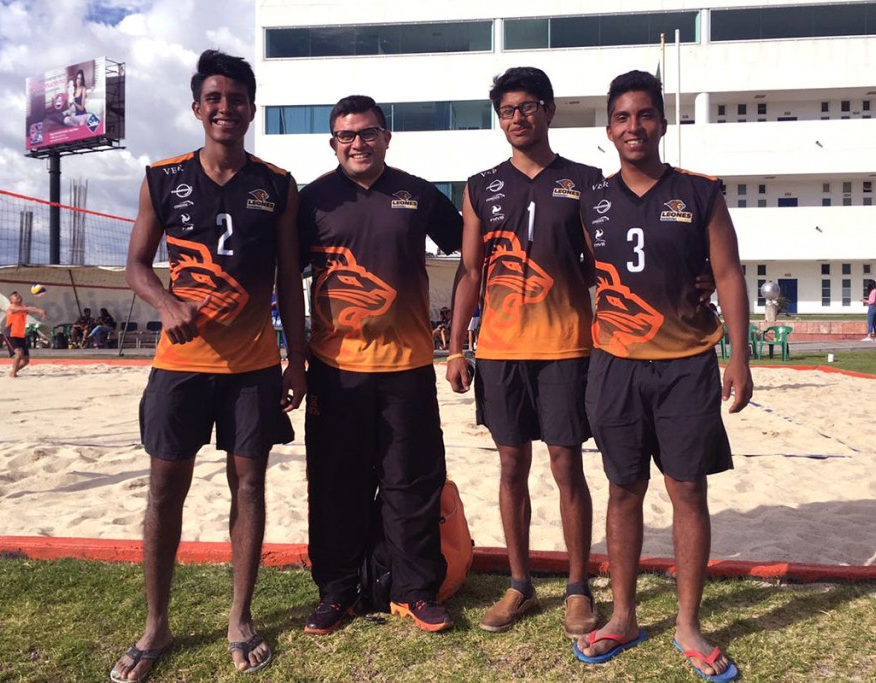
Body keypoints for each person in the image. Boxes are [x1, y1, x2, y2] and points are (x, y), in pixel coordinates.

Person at [111, 49, 306, 681]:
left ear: (251, 108)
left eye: (238, 98)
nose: (226, 108)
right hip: (181, 364)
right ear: (198, 108)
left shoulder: (276, 183)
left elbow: (288, 279)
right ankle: (155, 625)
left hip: (252, 365)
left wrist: (296, 361)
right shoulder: (163, 176)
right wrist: (166, 302)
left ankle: (239, 617)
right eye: (214, 99)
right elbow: (136, 266)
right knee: (166, 487)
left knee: (249, 485)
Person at [572, 70, 751, 683]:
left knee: (687, 490)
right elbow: (574, 275)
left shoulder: (700, 193)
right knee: (623, 490)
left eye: (644, 115)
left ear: (662, 122)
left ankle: (687, 624)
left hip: (686, 367)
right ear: (609, 129)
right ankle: (622, 616)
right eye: (622, 118)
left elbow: (728, 275)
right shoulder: (590, 201)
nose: (633, 127)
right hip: (615, 366)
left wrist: (740, 357)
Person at [298, 95, 463, 635]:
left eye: (368, 133)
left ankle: (416, 591)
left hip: (407, 364)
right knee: (334, 483)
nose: (358, 143)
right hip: (334, 366)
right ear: (333, 143)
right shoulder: (312, 200)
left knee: (411, 480)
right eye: (346, 135)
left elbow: (475, 249)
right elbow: (273, 270)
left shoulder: (415, 193)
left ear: (386, 137)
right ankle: (337, 592)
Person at [445, 66, 600, 637]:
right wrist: (457, 347)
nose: (516, 118)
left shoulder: (586, 181)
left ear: (548, 110)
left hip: (566, 347)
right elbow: (468, 271)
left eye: (527, 107)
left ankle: (578, 587)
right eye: (507, 110)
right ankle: (519, 585)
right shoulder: (480, 184)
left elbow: (599, 269)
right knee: (511, 466)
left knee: (567, 466)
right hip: (501, 350)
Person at [3, 291, 45, 377]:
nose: (18, 296)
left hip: (20, 335)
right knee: (18, 353)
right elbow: (27, 309)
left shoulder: (23, 307)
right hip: (10, 334)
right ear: (11, 301)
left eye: (18, 295)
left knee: (26, 360)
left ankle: (13, 371)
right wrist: (39, 310)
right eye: (15, 296)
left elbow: (29, 309)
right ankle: (13, 374)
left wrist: (38, 311)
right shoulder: (11, 308)